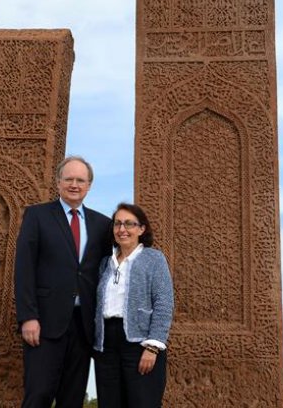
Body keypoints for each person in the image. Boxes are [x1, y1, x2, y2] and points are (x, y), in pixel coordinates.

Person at [15, 156, 113, 408]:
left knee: (72, 399)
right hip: (44, 324)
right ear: (58, 182)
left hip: (83, 326)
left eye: (80, 180)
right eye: (68, 179)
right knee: (39, 394)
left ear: (89, 185)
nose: (74, 184)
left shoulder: (102, 224)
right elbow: (24, 268)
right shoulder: (37, 215)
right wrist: (28, 316)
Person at [93, 203, 174, 408]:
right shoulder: (105, 263)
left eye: (129, 224)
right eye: (118, 224)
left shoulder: (154, 259)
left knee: (142, 402)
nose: (122, 229)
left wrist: (153, 347)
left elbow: (164, 302)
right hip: (106, 346)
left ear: (141, 229)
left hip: (140, 343)